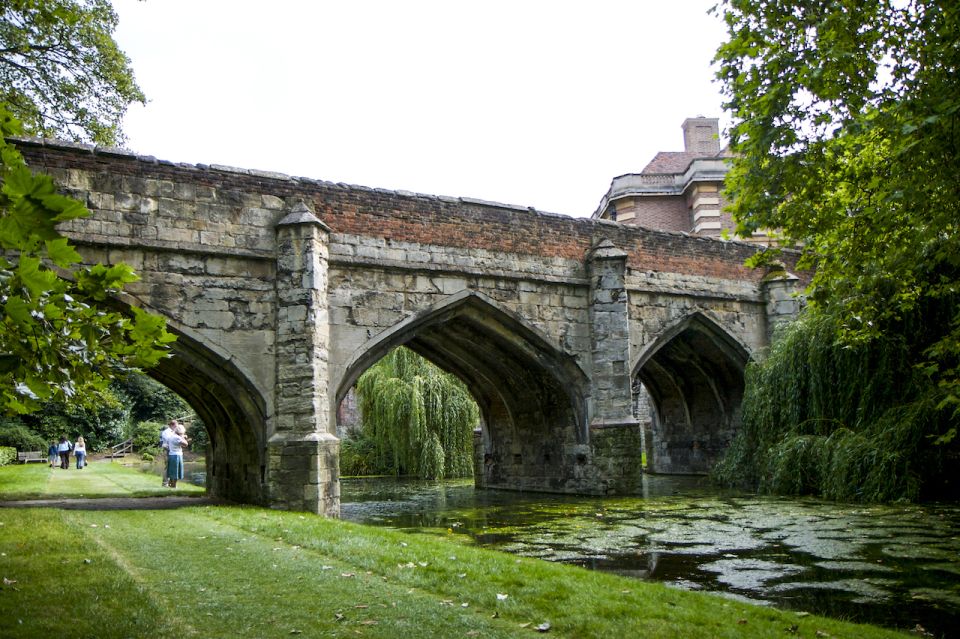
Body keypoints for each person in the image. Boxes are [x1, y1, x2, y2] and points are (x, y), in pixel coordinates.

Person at [166, 423, 189, 488]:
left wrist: (182, 437)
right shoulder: (177, 438)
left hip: (171, 455)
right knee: (176, 472)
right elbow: (186, 444)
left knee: (172, 471)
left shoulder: (172, 436)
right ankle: (174, 486)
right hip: (177, 455)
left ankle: (171, 484)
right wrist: (183, 437)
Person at [159, 420, 176, 487]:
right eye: (175, 426)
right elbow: (169, 440)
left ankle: (171, 483)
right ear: (172, 425)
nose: (176, 427)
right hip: (167, 451)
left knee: (173, 467)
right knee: (167, 467)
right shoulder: (166, 432)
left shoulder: (174, 432)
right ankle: (165, 483)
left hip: (173, 451)